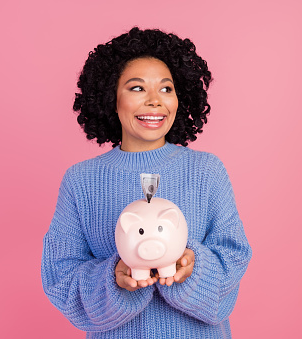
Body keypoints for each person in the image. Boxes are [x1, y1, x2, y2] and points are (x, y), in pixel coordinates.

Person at [41, 27, 252, 338]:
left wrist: (191, 268)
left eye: (166, 89)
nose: (155, 101)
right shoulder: (81, 181)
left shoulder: (207, 171)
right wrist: (115, 277)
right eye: (137, 89)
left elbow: (233, 259)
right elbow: (60, 277)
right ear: (111, 98)